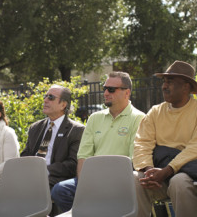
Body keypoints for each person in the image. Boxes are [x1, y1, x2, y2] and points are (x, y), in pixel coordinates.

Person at [51, 71, 145, 213]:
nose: (106, 93)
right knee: (60, 190)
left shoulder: (139, 118)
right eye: (104, 88)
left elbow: (134, 160)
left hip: (119, 181)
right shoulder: (94, 118)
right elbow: (83, 155)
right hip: (92, 180)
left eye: (111, 89)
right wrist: (85, 186)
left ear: (127, 93)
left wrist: (106, 183)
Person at [0, 85, 85, 211]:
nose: (45, 100)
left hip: (52, 178)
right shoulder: (36, 127)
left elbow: (72, 164)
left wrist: (42, 170)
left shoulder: (76, 130)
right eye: (45, 96)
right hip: (29, 176)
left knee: (24, 191)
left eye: (51, 97)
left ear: (63, 104)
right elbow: (25, 155)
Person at [133, 60, 197, 217]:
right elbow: (141, 143)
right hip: (159, 175)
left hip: (190, 175)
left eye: (170, 82)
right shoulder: (155, 112)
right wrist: (148, 170)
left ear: (186, 86)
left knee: (180, 183)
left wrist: (167, 170)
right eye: (164, 82)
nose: (164, 86)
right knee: (135, 179)